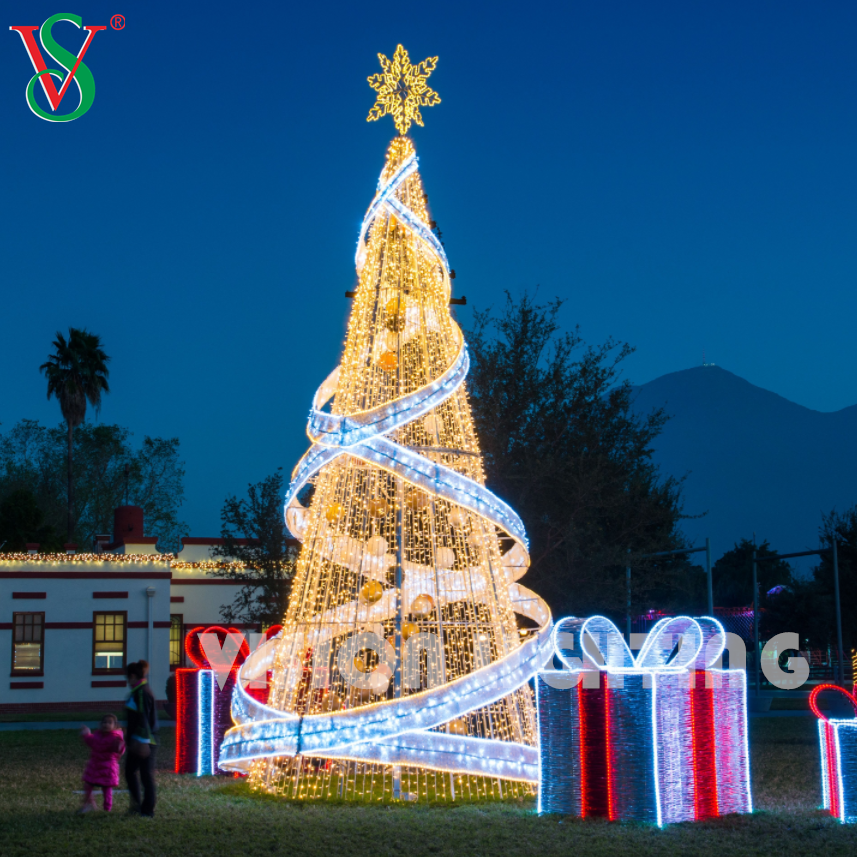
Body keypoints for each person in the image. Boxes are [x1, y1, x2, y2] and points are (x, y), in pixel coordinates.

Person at [125, 660, 158, 817]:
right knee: (130, 771)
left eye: (127, 679)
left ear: (132, 676)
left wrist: (143, 743)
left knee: (145, 775)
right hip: (137, 740)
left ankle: (147, 809)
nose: (127, 682)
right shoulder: (139, 691)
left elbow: (144, 718)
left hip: (145, 741)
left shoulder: (141, 692)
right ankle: (137, 805)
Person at [78, 714, 125, 813]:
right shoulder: (97, 735)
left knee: (106, 789)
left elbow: (119, 750)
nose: (106, 724)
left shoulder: (115, 737)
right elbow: (91, 741)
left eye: (109, 722)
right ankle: (88, 804)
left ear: (115, 725)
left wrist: (120, 745)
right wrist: (86, 734)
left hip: (107, 768)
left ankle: (107, 809)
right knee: (88, 785)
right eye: (104, 722)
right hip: (94, 766)